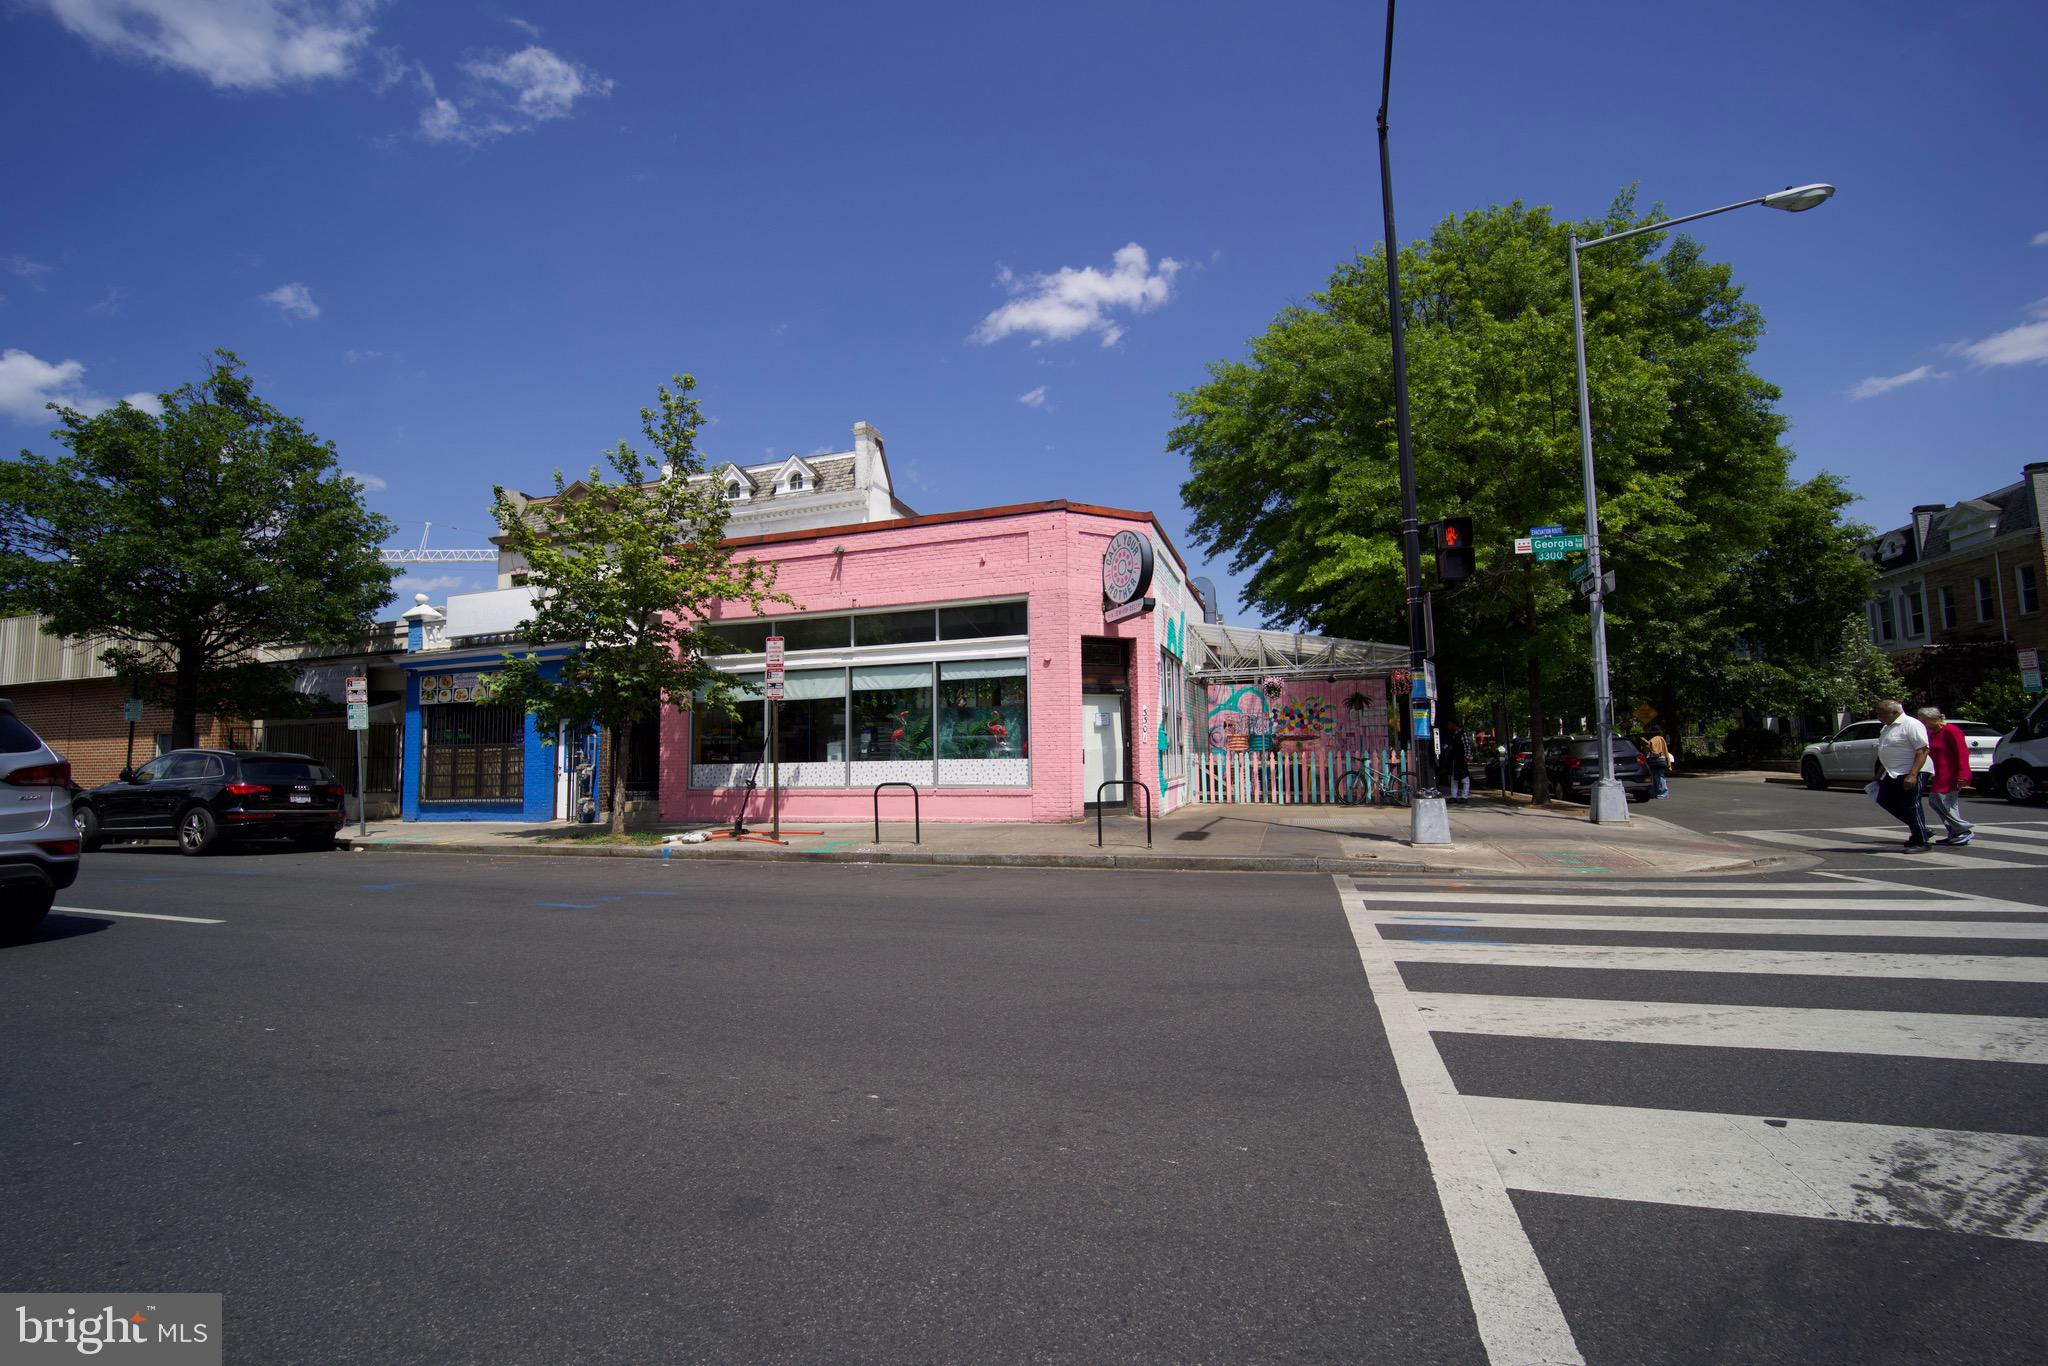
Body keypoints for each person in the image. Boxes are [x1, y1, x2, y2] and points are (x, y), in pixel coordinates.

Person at [1872, 699, 1931, 852]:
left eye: (1882, 713)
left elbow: (1922, 750)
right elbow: (1887, 751)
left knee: (1912, 804)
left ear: (1895, 712)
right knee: (1884, 799)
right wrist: (1879, 773)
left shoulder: (1911, 724)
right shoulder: (1887, 727)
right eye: (1877, 712)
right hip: (1893, 772)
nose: (1878, 716)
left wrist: (1912, 774)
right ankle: (1920, 828)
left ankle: (1921, 841)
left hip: (1912, 771)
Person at [1917, 705, 1976, 846]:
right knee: (1942, 803)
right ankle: (1955, 832)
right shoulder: (1932, 733)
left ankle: (1963, 830)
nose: (1923, 724)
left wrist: (1963, 774)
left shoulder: (1951, 731)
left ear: (1935, 719)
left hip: (1951, 774)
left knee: (1940, 801)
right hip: (1939, 774)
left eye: (1925, 721)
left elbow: (1962, 753)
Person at [1440, 721, 1473, 804]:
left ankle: (1464, 796)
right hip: (1454, 760)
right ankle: (1454, 796)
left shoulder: (1462, 733)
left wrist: (1467, 756)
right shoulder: (1453, 734)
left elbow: (1467, 745)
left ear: (1454, 724)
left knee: (1464, 777)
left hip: (1461, 759)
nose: (1448, 726)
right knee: (1454, 778)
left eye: (1449, 724)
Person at [1642, 724, 1675, 798]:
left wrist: (1645, 743)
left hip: (1655, 760)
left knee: (1657, 777)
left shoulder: (1654, 739)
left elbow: (1651, 748)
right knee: (1659, 776)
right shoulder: (1661, 738)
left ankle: (1661, 793)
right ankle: (1659, 793)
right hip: (1661, 760)